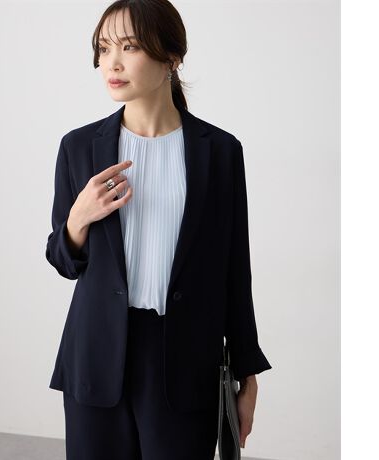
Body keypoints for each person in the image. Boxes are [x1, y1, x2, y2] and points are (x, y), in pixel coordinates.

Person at [45, 1, 272, 459]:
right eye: (104, 48)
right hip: (97, 354)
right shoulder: (79, 147)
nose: (112, 63)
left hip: (185, 359)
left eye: (129, 47)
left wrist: (247, 374)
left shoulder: (219, 152)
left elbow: (235, 268)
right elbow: (63, 261)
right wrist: (78, 217)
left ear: (172, 57)